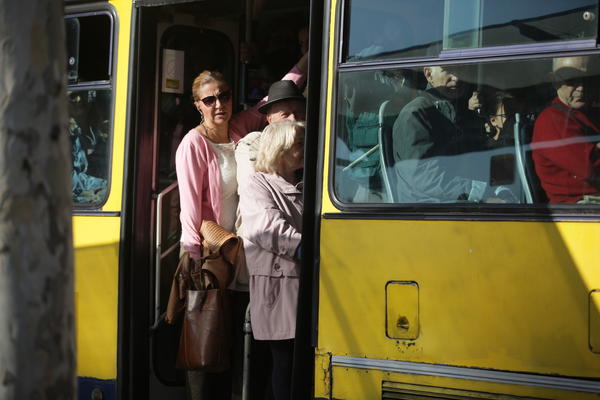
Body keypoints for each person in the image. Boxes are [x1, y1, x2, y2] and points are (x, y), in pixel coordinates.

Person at [175, 55, 305, 400]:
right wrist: (192, 254)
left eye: (225, 95)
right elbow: (189, 207)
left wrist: (306, 56)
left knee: (245, 334)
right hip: (216, 252)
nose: (219, 104)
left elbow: (274, 105)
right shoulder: (193, 144)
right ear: (197, 105)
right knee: (214, 335)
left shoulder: (239, 127)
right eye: (210, 99)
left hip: (244, 250)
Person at [238, 121, 305, 400]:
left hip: (301, 284)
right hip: (280, 287)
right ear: (280, 150)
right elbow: (266, 228)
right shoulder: (257, 183)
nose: (304, 149)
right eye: (298, 144)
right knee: (285, 364)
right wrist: (309, 249)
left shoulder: (304, 181)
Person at [392, 65, 505, 203]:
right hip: (428, 211)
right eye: (448, 70)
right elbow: (424, 177)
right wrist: (480, 193)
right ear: (429, 75)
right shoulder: (415, 114)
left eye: (461, 69)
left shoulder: (461, 111)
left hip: (459, 202)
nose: (457, 78)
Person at [532, 56, 600, 203]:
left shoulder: (589, 112)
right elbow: (591, 168)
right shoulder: (552, 120)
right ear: (554, 80)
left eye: (587, 79)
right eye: (572, 80)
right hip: (579, 208)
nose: (581, 87)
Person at [235, 80, 306, 190]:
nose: (293, 119)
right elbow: (251, 189)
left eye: (298, 113)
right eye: (285, 115)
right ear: (270, 119)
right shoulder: (253, 143)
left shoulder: (313, 141)